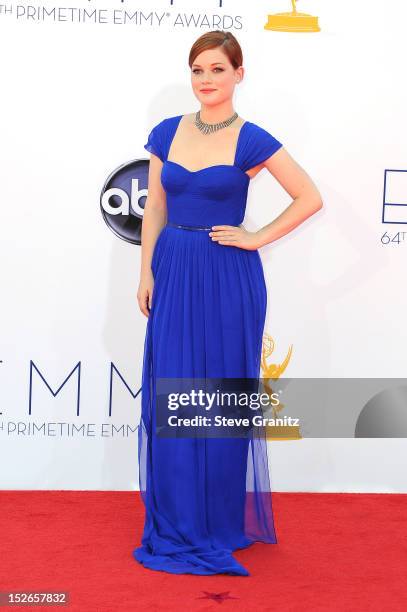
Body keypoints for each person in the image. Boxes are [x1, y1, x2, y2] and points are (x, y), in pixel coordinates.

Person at [134, 30, 322, 576]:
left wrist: (256, 237)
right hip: (173, 269)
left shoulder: (253, 138)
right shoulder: (166, 133)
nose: (206, 80)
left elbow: (309, 197)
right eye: (197, 70)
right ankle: (178, 518)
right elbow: (154, 211)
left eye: (217, 69)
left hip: (226, 275)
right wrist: (146, 272)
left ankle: (215, 522)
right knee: (173, 395)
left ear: (239, 74)